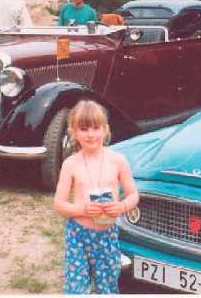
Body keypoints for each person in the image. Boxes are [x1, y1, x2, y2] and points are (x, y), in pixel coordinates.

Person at [54, 100, 139, 294]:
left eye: (95, 128)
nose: (90, 134)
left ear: (106, 129)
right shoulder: (70, 164)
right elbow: (59, 204)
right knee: (76, 288)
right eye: (84, 129)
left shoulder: (118, 160)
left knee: (107, 285)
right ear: (74, 132)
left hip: (107, 235)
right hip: (78, 235)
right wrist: (83, 210)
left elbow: (133, 194)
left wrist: (123, 206)